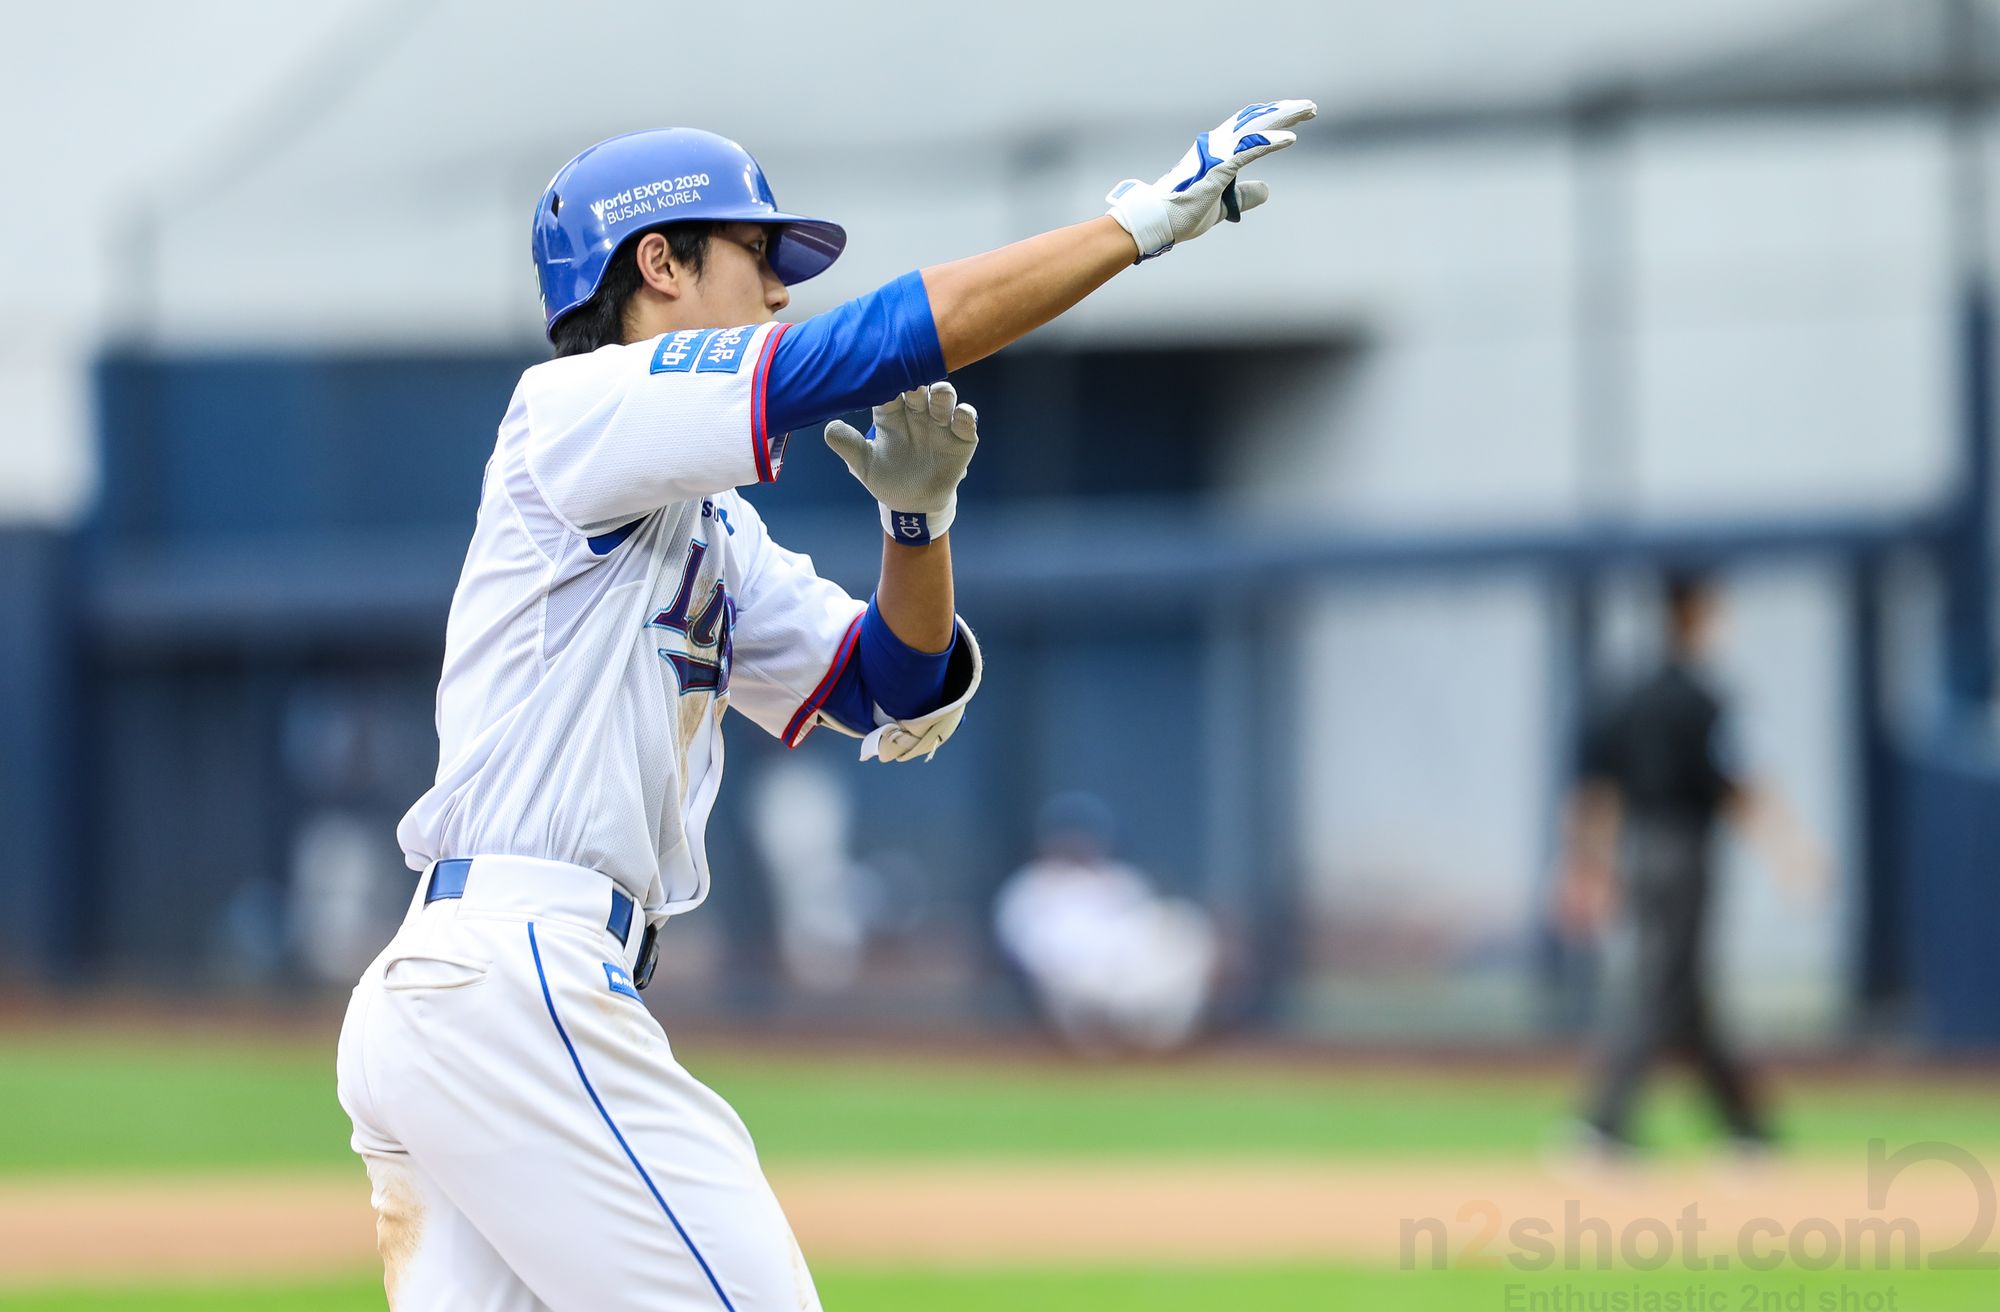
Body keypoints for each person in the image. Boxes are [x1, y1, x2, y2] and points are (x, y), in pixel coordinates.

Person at [335, 102, 1315, 1311]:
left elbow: (882, 684)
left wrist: (917, 526)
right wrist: (1132, 229)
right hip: (512, 979)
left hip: (469, 998)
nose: (778, 290)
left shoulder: (704, 527)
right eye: (756, 254)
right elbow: (873, 345)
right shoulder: (572, 406)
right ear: (658, 261)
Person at [1555, 571, 1826, 1156]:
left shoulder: (1632, 696)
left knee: (1684, 990)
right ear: (1694, 614)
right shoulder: (1705, 700)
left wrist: (1585, 866)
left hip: (1640, 851)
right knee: (1663, 986)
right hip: (1684, 853)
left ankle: (1745, 1128)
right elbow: (1740, 784)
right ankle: (1601, 1126)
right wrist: (1790, 851)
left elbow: (1595, 791)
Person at [995, 792, 1219, 1053]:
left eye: (1083, 834)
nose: (1077, 842)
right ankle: (1105, 1041)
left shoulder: (1122, 878)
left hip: (1129, 973)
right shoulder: (1031, 886)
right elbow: (1025, 946)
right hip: (1069, 979)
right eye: (1068, 835)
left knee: (1182, 920)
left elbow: (1145, 930)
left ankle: (1161, 1041)